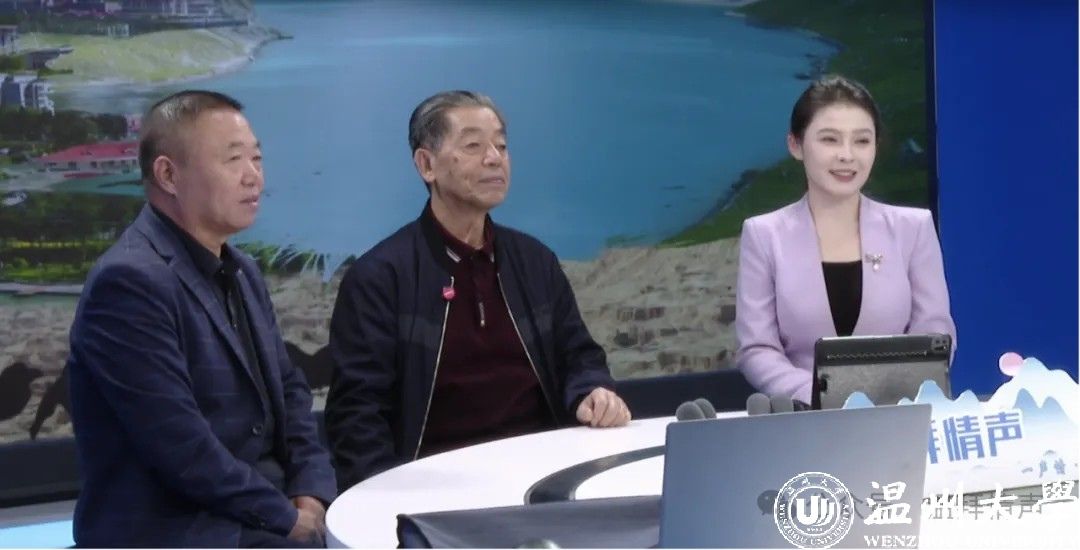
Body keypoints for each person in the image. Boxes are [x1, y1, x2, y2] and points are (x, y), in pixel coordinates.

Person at [66, 90, 336, 547]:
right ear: (168, 175)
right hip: (179, 527)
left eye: (256, 158)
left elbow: (290, 391)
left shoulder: (242, 270)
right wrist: (288, 520)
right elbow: (181, 448)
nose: (253, 176)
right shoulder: (128, 281)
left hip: (256, 509)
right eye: (233, 160)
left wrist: (311, 491)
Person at [325, 90, 631, 491]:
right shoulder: (380, 278)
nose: (494, 158)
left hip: (543, 475)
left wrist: (592, 391)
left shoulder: (534, 261)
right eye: (473, 146)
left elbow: (579, 355)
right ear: (427, 164)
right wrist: (386, 500)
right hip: (430, 487)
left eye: (501, 145)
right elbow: (357, 416)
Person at [735, 75, 956, 405]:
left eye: (862, 141)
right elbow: (757, 348)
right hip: (805, 415)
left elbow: (935, 333)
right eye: (830, 140)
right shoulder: (764, 235)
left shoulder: (913, 228)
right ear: (795, 145)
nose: (847, 155)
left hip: (898, 413)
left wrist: (890, 392)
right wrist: (821, 394)